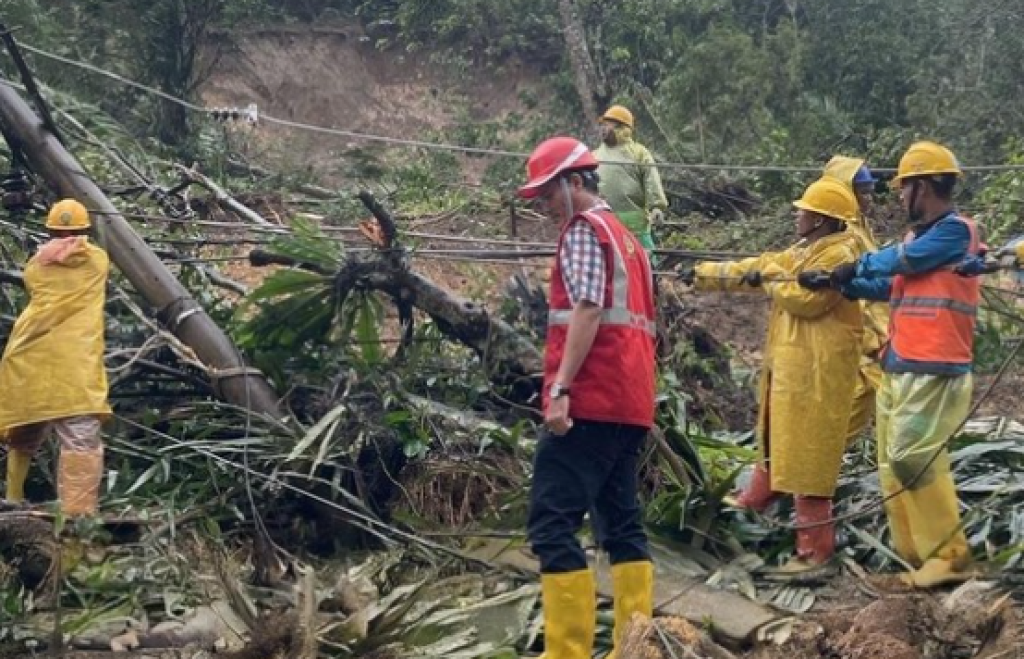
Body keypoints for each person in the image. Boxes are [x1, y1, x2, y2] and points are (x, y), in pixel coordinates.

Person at [805, 141, 981, 588]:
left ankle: (951, 556)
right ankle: (916, 556)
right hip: (901, 362)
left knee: (913, 457)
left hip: (937, 364)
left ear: (923, 187)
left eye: (904, 189)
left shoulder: (956, 232)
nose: (900, 197)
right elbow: (889, 285)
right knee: (891, 463)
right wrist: (837, 282)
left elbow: (900, 262)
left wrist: (853, 264)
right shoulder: (916, 240)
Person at [518, 136, 657, 659]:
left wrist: (559, 389)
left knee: (551, 523)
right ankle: (634, 646)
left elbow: (588, 308)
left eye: (548, 195)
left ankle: (567, 654)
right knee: (621, 523)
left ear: (573, 183)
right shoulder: (627, 238)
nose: (546, 208)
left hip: (592, 400)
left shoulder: (583, 231)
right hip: (631, 402)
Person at [683, 178, 863, 574]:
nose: (796, 214)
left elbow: (806, 300)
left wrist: (770, 275)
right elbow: (762, 268)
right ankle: (760, 495)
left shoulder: (839, 255)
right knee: (777, 435)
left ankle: (814, 553)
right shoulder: (806, 250)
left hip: (819, 373)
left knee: (810, 459)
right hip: (793, 368)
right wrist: (701, 273)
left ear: (820, 218)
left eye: (803, 210)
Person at [1, 198, 111, 517]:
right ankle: (78, 512)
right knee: (81, 440)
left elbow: (42, 273)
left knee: (24, 431)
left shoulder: (36, 267)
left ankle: (13, 498)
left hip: (28, 358)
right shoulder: (98, 261)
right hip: (75, 368)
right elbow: (82, 252)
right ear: (85, 231)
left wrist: (49, 251)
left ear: (49, 232)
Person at [822, 157, 889, 445]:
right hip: (864, 336)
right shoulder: (844, 234)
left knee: (861, 403)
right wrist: (873, 339)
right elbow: (854, 292)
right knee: (876, 401)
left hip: (876, 334)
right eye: (862, 192)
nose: (868, 199)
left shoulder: (861, 226)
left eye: (869, 191)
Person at [593, 105, 668, 254]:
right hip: (605, 220)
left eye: (608, 124)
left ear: (621, 127)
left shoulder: (639, 153)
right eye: (603, 124)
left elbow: (651, 180)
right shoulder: (595, 155)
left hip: (636, 222)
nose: (603, 128)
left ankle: (652, 275)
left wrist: (657, 206)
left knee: (643, 259)